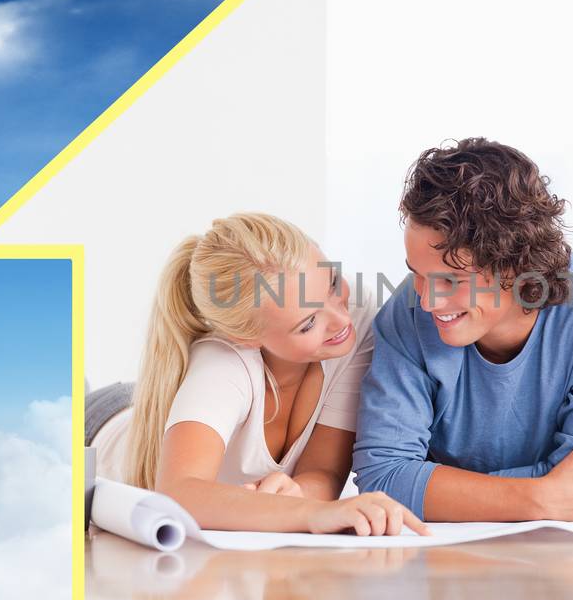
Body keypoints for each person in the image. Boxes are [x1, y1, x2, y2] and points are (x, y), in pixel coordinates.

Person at [351, 138, 573, 523]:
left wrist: (435, 487)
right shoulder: (406, 312)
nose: (428, 301)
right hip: (482, 451)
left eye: (452, 280)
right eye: (417, 274)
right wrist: (538, 498)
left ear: (518, 266)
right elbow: (383, 477)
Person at [89, 211, 429, 537]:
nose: (340, 320)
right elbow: (178, 494)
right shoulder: (224, 361)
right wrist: (311, 513)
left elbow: (323, 472)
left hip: (158, 404)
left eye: (333, 283)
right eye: (308, 323)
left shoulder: (357, 315)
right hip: (98, 425)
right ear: (246, 338)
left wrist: (297, 494)